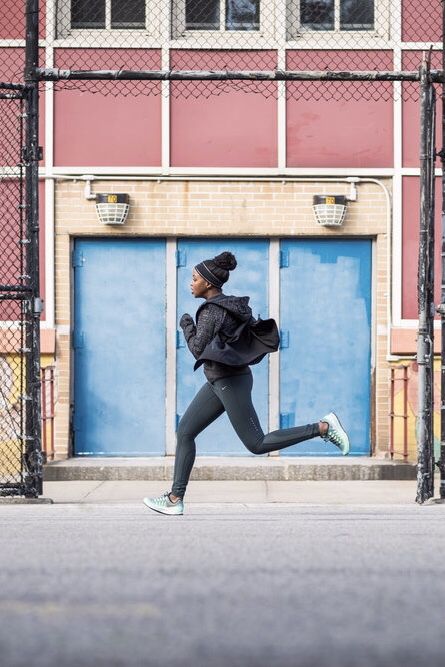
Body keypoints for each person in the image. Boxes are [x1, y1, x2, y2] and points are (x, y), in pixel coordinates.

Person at [143, 251, 350, 516]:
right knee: (185, 431)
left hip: (231, 381)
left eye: (194, 278)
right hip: (219, 380)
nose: (191, 283)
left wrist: (186, 325)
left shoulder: (211, 311)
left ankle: (322, 427)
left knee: (256, 443)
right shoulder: (231, 306)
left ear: (207, 283)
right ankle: (174, 498)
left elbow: (197, 349)